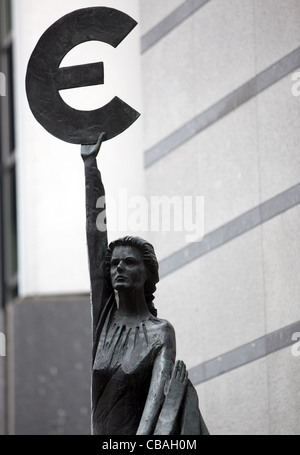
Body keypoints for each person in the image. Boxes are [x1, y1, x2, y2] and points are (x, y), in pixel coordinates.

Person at [81, 133, 209, 435]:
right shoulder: (104, 320)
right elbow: (94, 232)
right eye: (114, 264)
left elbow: (153, 410)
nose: (119, 268)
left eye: (129, 262)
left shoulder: (160, 332)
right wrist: (90, 167)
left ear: (147, 274)